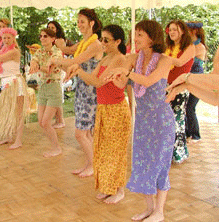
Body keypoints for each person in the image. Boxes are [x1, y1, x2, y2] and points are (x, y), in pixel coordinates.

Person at [108, 20, 175, 222]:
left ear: (152, 38)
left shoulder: (164, 60)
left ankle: (160, 212)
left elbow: (147, 81)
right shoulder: (135, 59)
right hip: (143, 121)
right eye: (135, 34)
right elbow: (123, 85)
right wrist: (116, 76)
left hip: (161, 121)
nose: (135, 39)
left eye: (140, 35)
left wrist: (127, 73)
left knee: (160, 165)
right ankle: (149, 208)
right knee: (143, 163)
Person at [66, 24, 131, 204]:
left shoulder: (120, 59)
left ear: (118, 41)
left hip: (116, 110)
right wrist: (77, 70)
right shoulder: (104, 59)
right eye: (101, 39)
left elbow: (98, 82)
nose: (102, 43)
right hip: (103, 108)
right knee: (102, 150)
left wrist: (78, 70)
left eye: (106, 40)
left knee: (116, 152)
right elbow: (93, 80)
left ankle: (119, 189)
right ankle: (108, 187)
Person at [50, 8, 103, 177]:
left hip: (91, 92)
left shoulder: (95, 44)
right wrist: (58, 48)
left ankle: (94, 165)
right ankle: (90, 163)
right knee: (85, 132)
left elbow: (75, 60)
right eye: (78, 21)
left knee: (80, 133)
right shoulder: (84, 42)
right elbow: (71, 51)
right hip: (82, 90)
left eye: (82, 21)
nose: (79, 24)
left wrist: (55, 60)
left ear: (91, 23)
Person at [29, 28, 63, 157]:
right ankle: (55, 146)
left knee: (45, 122)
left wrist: (36, 67)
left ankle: (57, 148)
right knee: (40, 122)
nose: (42, 38)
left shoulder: (57, 53)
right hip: (43, 87)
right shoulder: (39, 51)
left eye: (46, 36)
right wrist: (33, 63)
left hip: (54, 88)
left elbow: (49, 69)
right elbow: (34, 59)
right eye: (41, 36)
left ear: (53, 39)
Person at [165, 20, 195, 164]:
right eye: (170, 30)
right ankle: (166, 152)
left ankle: (178, 153)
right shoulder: (168, 47)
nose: (171, 32)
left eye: (174, 30)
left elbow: (179, 63)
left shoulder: (189, 47)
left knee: (176, 120)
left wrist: (162, 57)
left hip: (181, 87)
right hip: (166, 86)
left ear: (182, 31)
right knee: (166, 120)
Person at [185, 21, 207, 143]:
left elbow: (186, 59)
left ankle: (195, 134)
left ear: (194, 31)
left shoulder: (199, 47)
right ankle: (188, 132)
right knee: (186, 107)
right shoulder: (190, 46)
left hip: (198, 82)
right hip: (188, 80)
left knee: (190, 107)